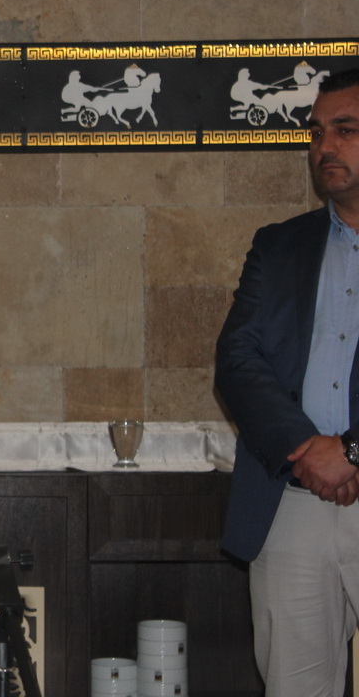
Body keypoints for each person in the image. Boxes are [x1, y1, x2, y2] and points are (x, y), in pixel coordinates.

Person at [216, 67, 359, 696]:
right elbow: (238, 359)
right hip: (293, 499)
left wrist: (351, 450)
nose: (325, 147)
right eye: (317, 132)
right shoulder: (279, 247)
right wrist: (306, 449)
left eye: (345, 129)